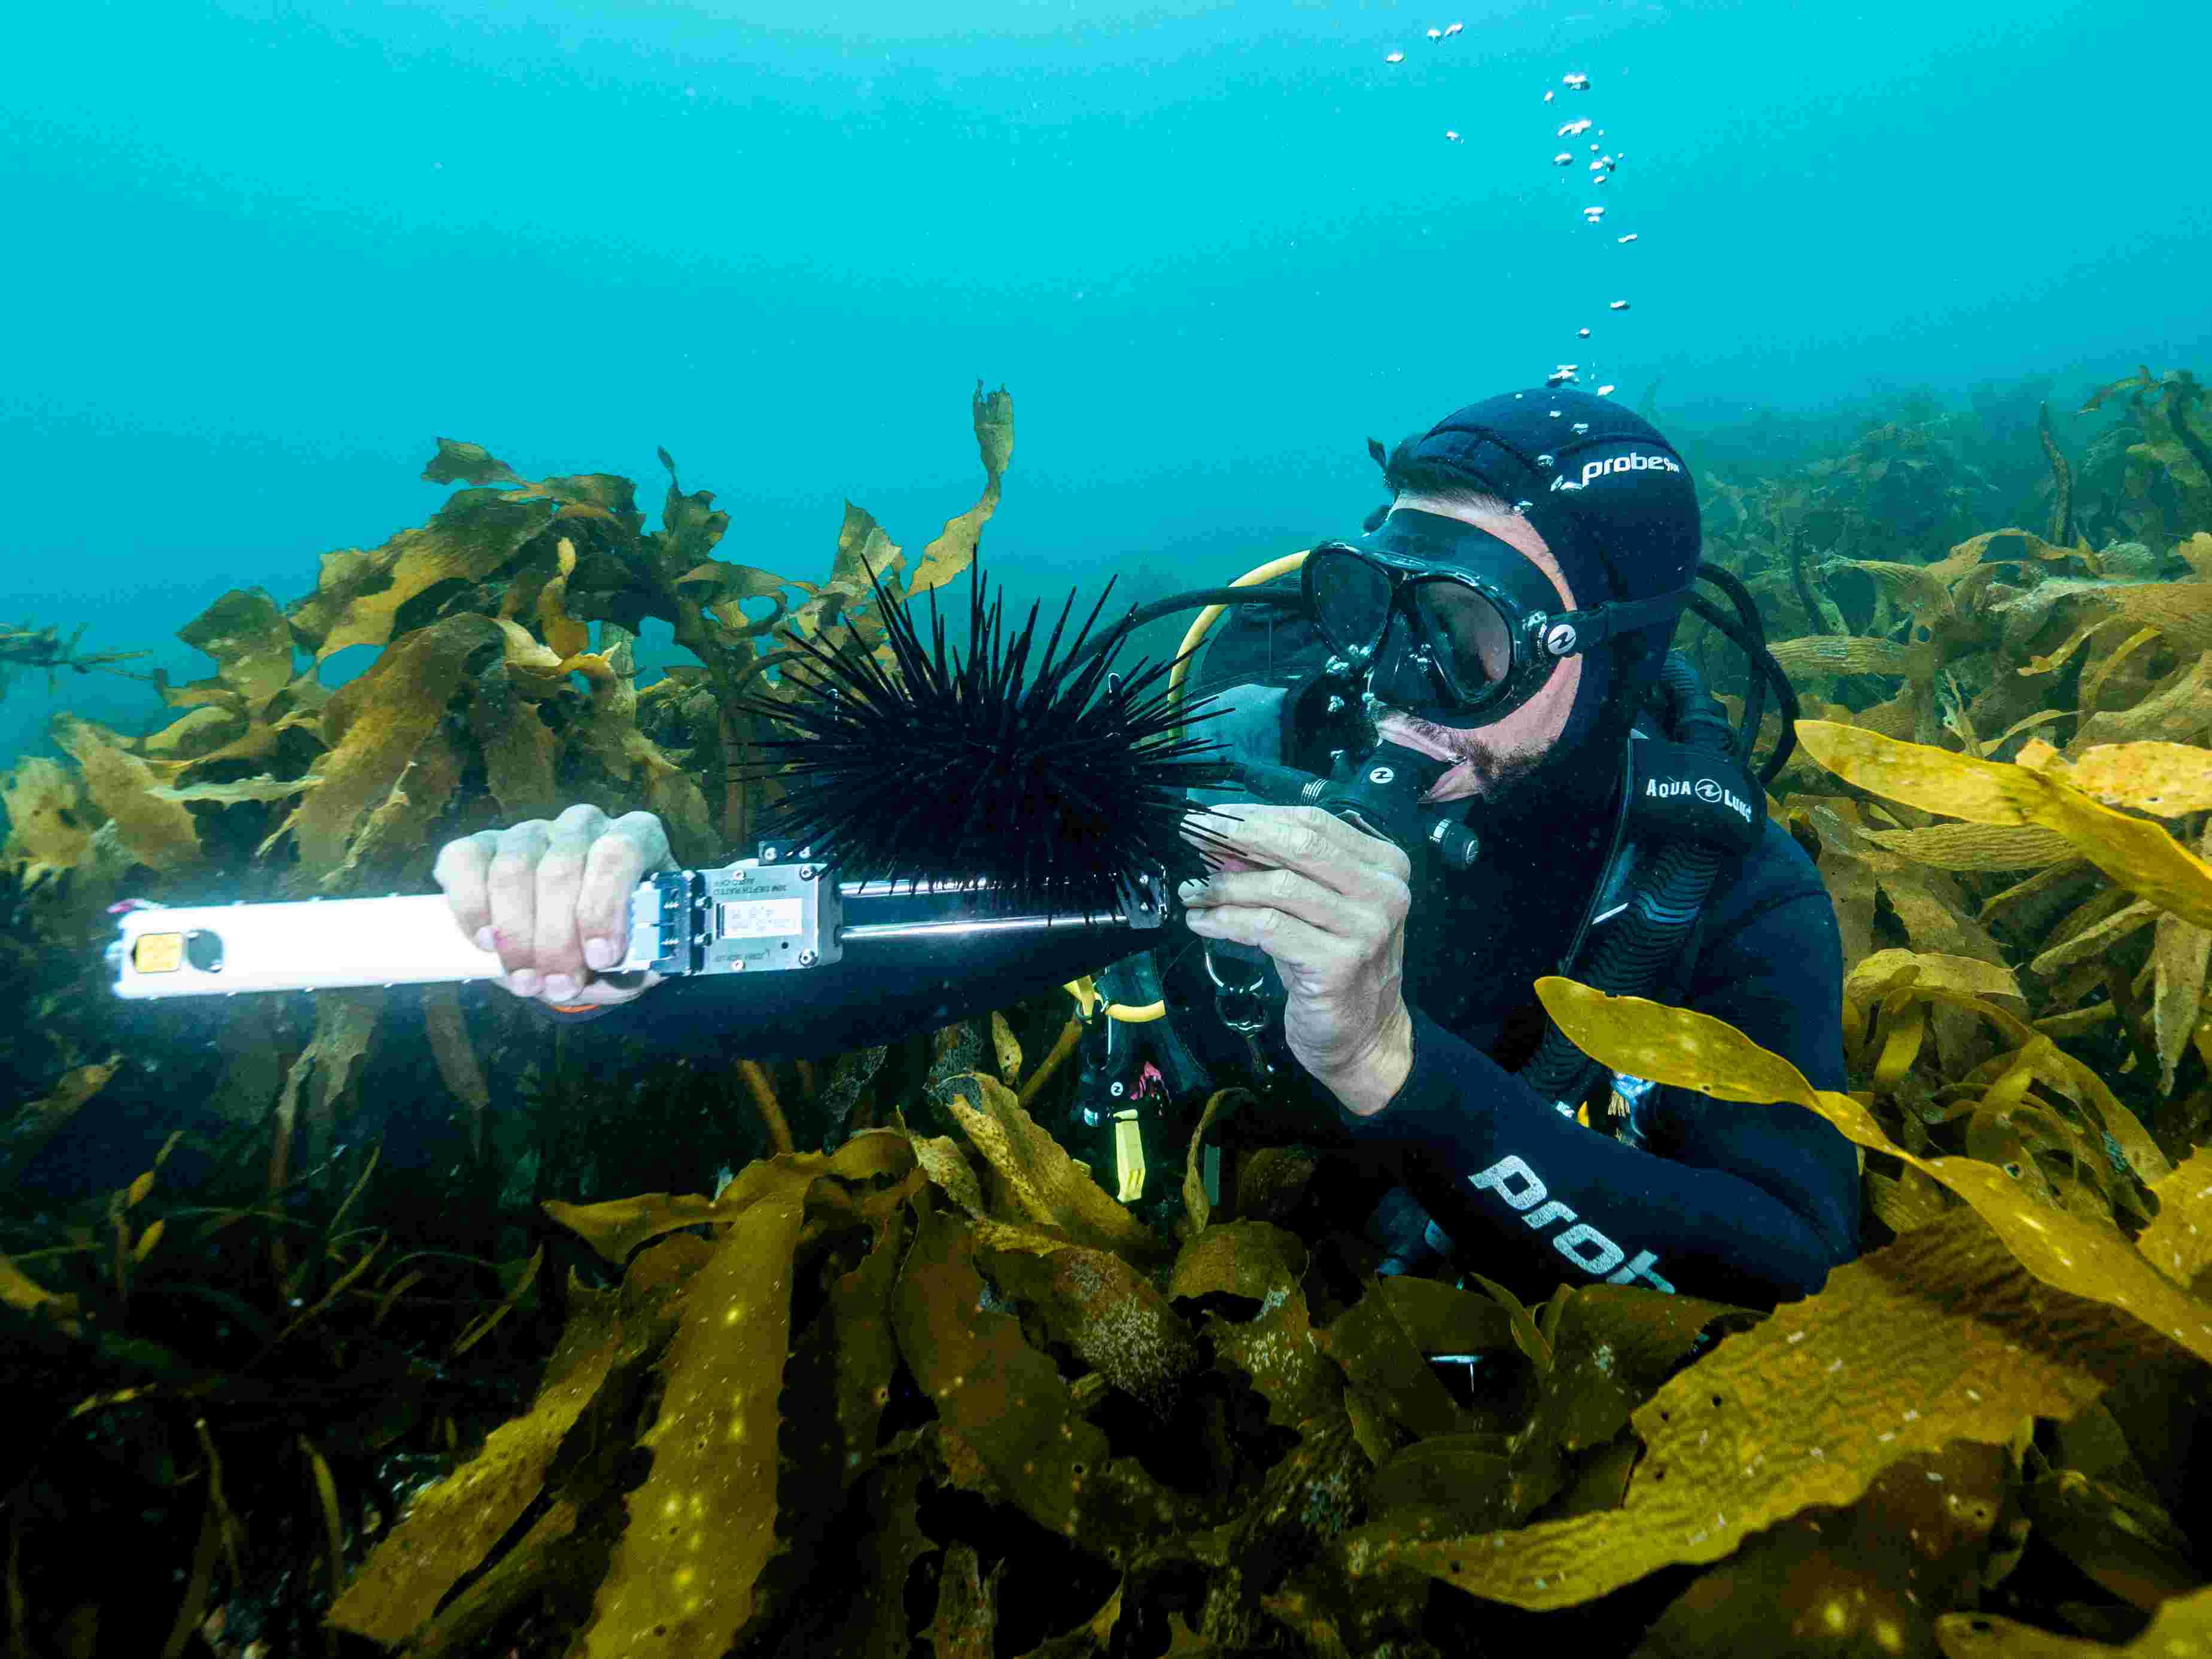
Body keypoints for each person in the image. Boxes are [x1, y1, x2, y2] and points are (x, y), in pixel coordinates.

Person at [435, 388, 1861, 1311]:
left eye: (1469, 640)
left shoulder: (1715, 893)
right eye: (1375, 604)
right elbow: (897, 954)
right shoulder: (1239, 777)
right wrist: (638, 946)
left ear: (1607, 663)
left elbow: (1786, 1267)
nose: (1394, 685)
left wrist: (1391, 1066)